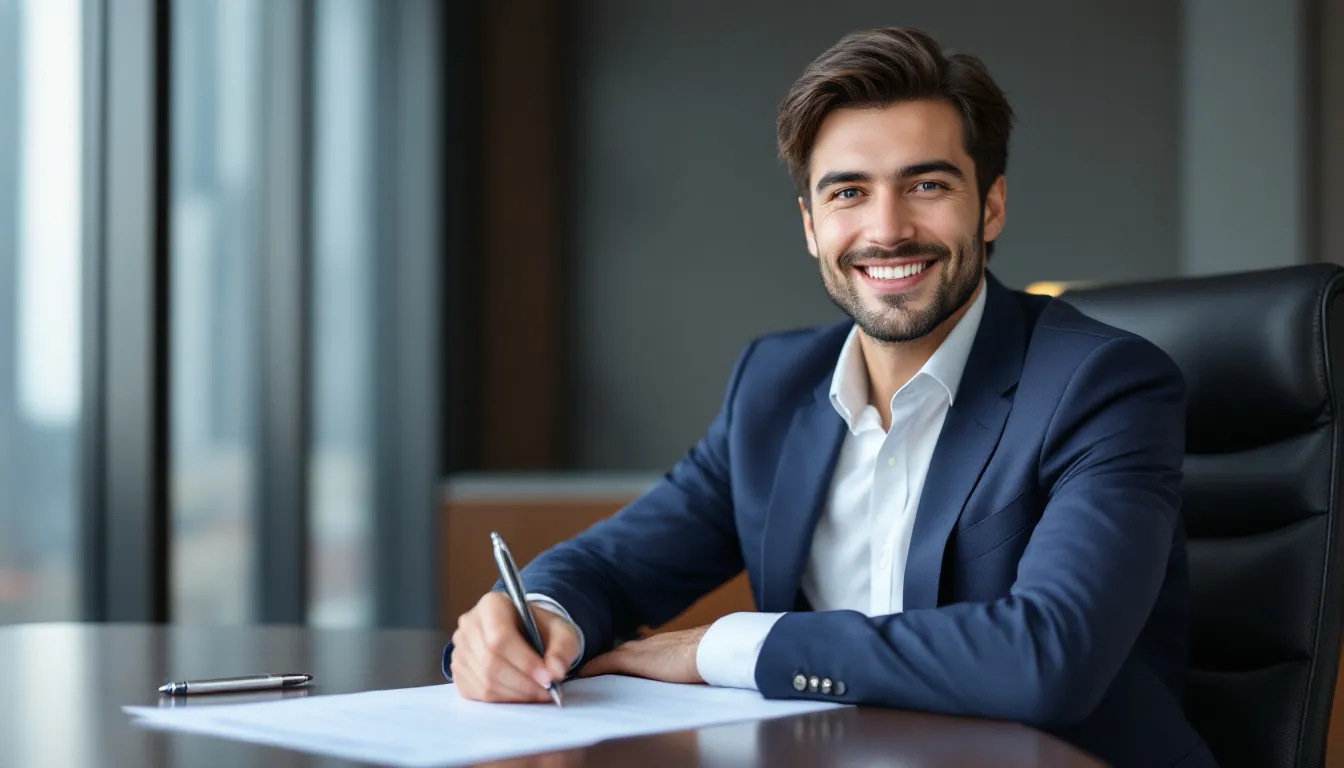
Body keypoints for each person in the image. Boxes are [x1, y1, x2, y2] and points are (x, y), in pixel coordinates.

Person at [444, 26, 1215, 768]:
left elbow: (1048, 656)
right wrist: (536, 613)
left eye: (927, 184)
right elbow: (615, 565)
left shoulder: (1104, 384)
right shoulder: (775, 388)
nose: (887, 229)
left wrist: (725, 646)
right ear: (812, 226)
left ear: (991, 206)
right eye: (849, 192)